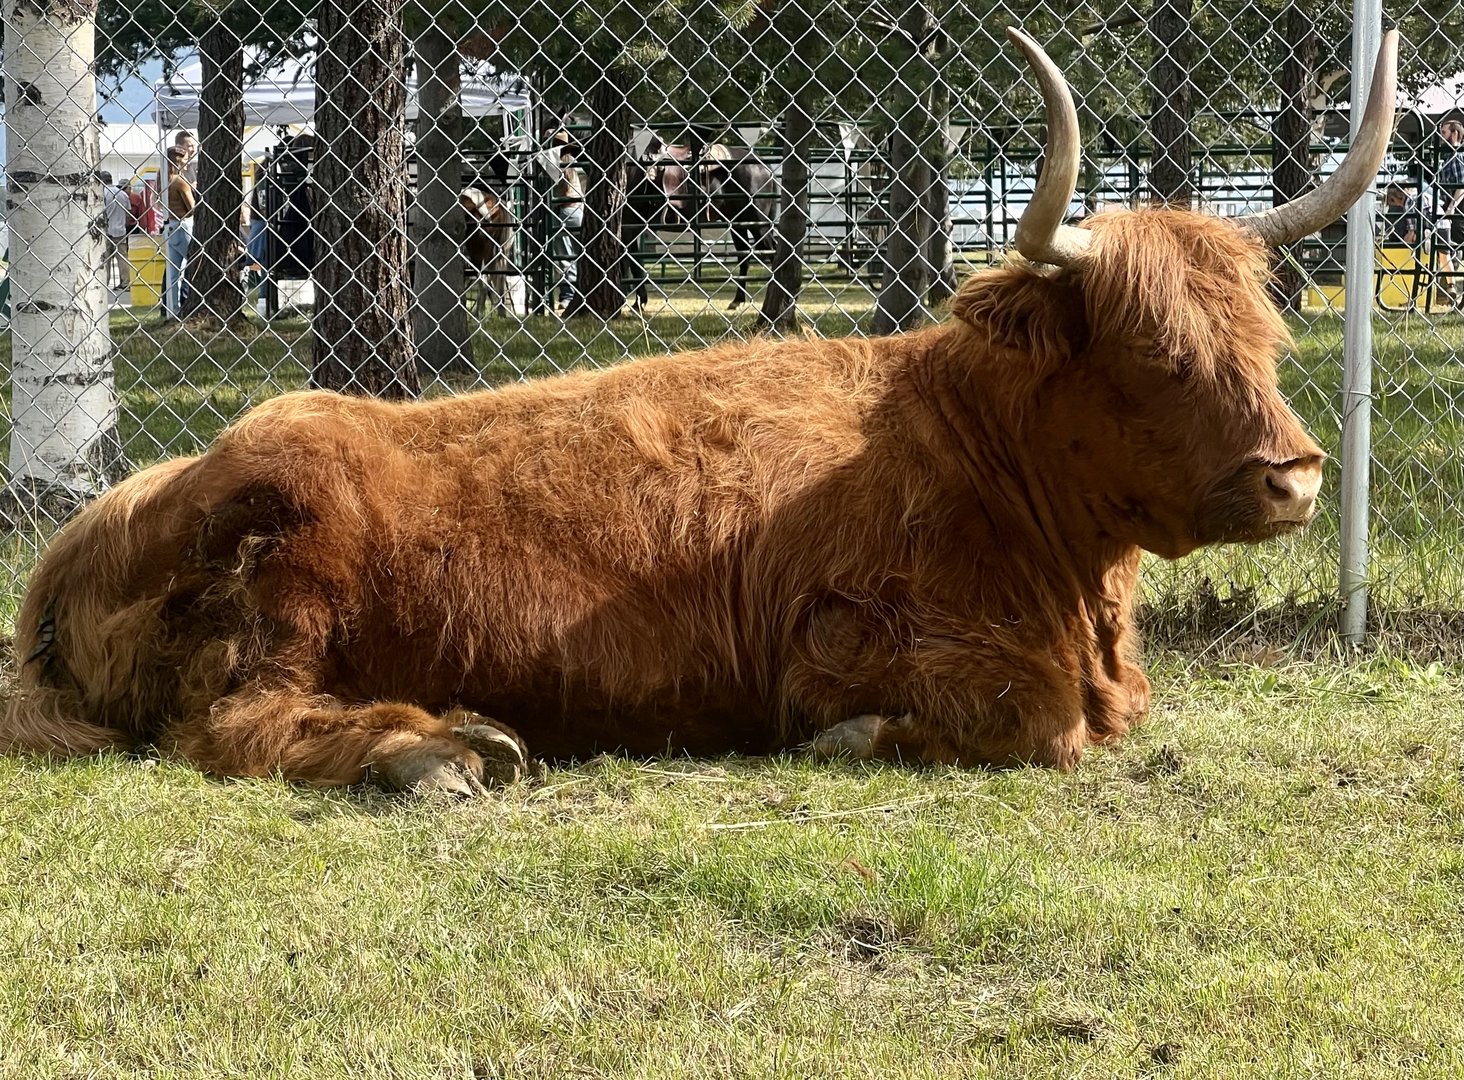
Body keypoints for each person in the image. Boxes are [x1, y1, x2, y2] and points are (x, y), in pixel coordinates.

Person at [550, 131, 584, 312]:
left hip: (566, 210)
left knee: (564, 256)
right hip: (579, 210)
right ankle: (580, 291)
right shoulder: (574, 162)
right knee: (578, 254)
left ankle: (567, 295)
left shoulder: (559, 164)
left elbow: (563, 192)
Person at [162, 145, 196, 320]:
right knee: (194, 263)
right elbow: (192, 208)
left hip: (169, 226)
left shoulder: (161, 180)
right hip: (183, 225)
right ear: (178, 160)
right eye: (185, 159)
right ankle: (191, 302)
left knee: (173, 273)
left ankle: (172, 310)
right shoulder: (180, 182)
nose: (187, 162)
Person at [100, 171, 131, 291]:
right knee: (122, 257)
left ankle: (105, 282)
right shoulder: (123, 194)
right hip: (121, 229)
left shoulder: (103, 193)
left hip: (107, 230)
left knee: (106, 258)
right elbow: (128, 213)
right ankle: (125, 282)